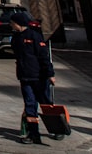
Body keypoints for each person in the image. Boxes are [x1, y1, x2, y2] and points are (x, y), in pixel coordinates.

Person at [10, 11, 57, 144]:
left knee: (46, 104)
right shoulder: (15, 38)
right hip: (25, 77)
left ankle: (56, 128)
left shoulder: (34, 36)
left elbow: (44, 57)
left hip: (39, 77)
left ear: (18, 23)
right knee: (30, 105)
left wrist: (50, 74)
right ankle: (33, 133)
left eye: (13, 23)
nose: (11, 25)